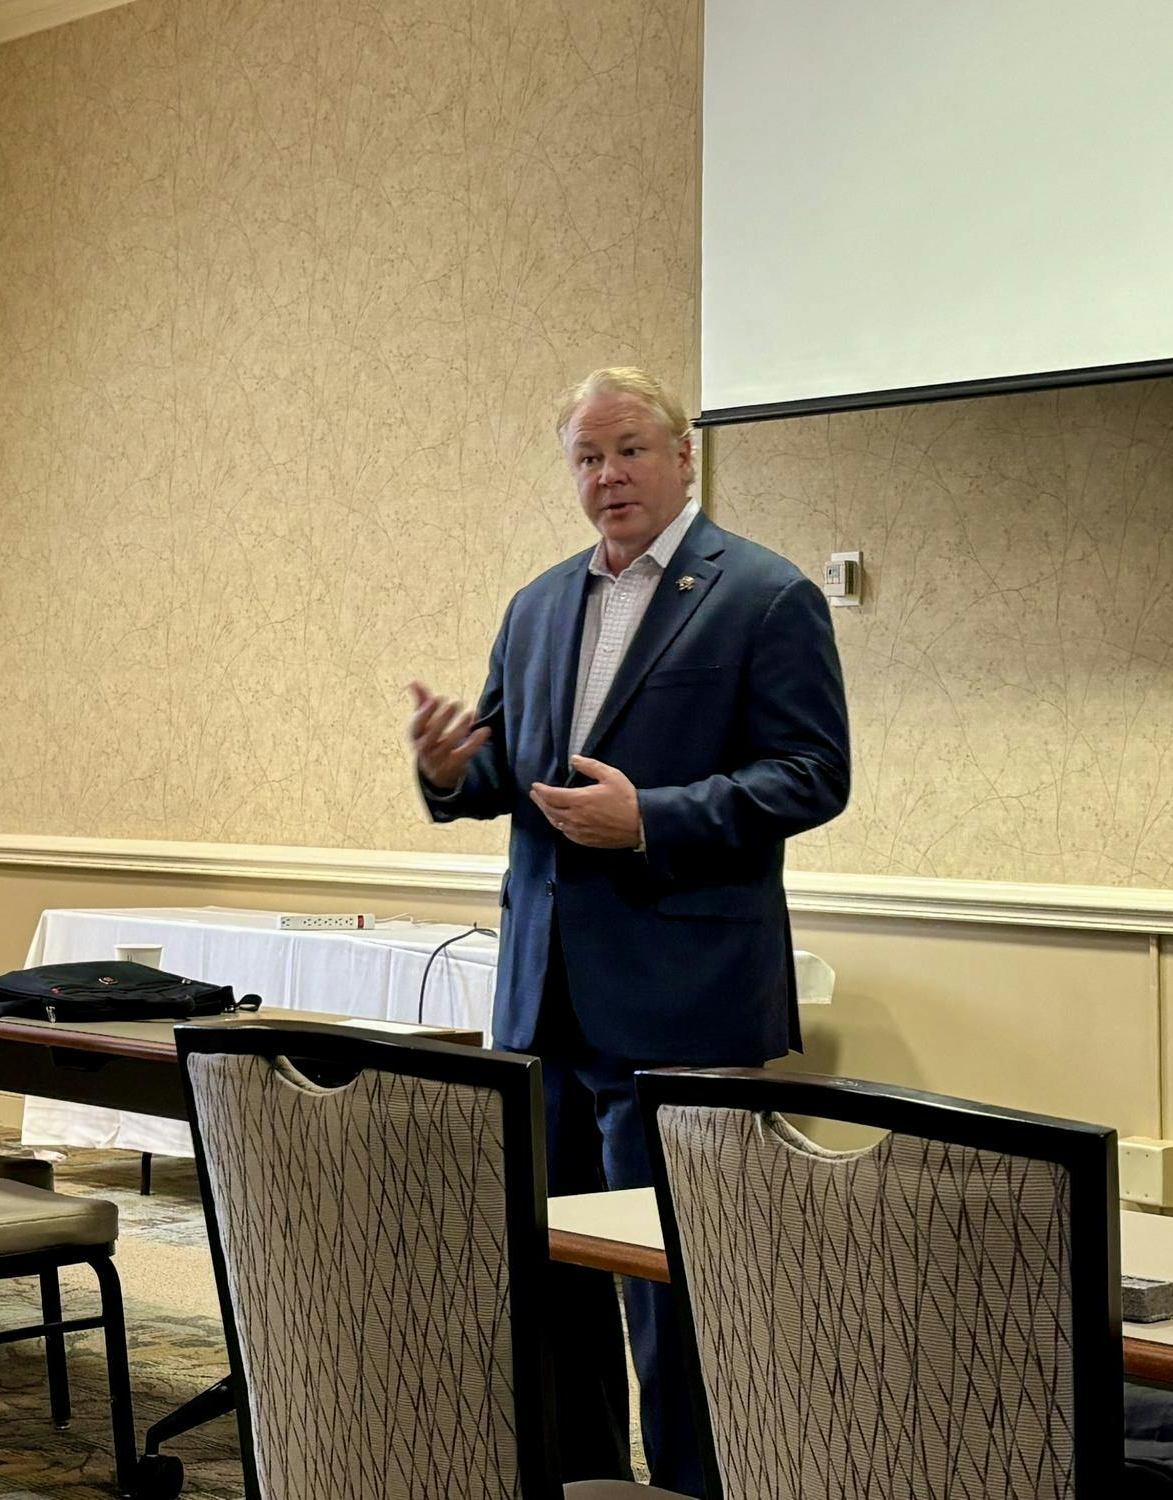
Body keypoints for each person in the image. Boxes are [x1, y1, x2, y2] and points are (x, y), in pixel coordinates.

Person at [407, 366, 852, 1490]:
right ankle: (581, 1483)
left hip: (679, 1000)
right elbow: (511, 771)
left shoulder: (761, 593)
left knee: (677, 1286)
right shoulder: (537, 602)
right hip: (543, 999)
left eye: (628, 451)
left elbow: (812, 775)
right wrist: (450, 772)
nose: (608, 477)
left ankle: (699, 1489)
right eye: (586, 458)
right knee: (547, 1273)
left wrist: (645, 819)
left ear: (682, 454)